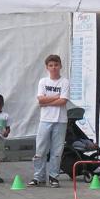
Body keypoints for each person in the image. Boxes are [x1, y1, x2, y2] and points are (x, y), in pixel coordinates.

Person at [29, 54, 69, 188]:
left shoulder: (64, 82)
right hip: (45, 120)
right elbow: (40, 99)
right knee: (40, 149)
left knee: (56, 151)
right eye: (51, 65)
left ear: (60, 66)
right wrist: (55, 97)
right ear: (47, 67)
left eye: (56, 65)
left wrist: (47, 101)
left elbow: (63, 100)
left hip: (60, 120)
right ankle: (38, 177)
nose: (53, 68)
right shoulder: (43, 82)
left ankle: (53, 176)